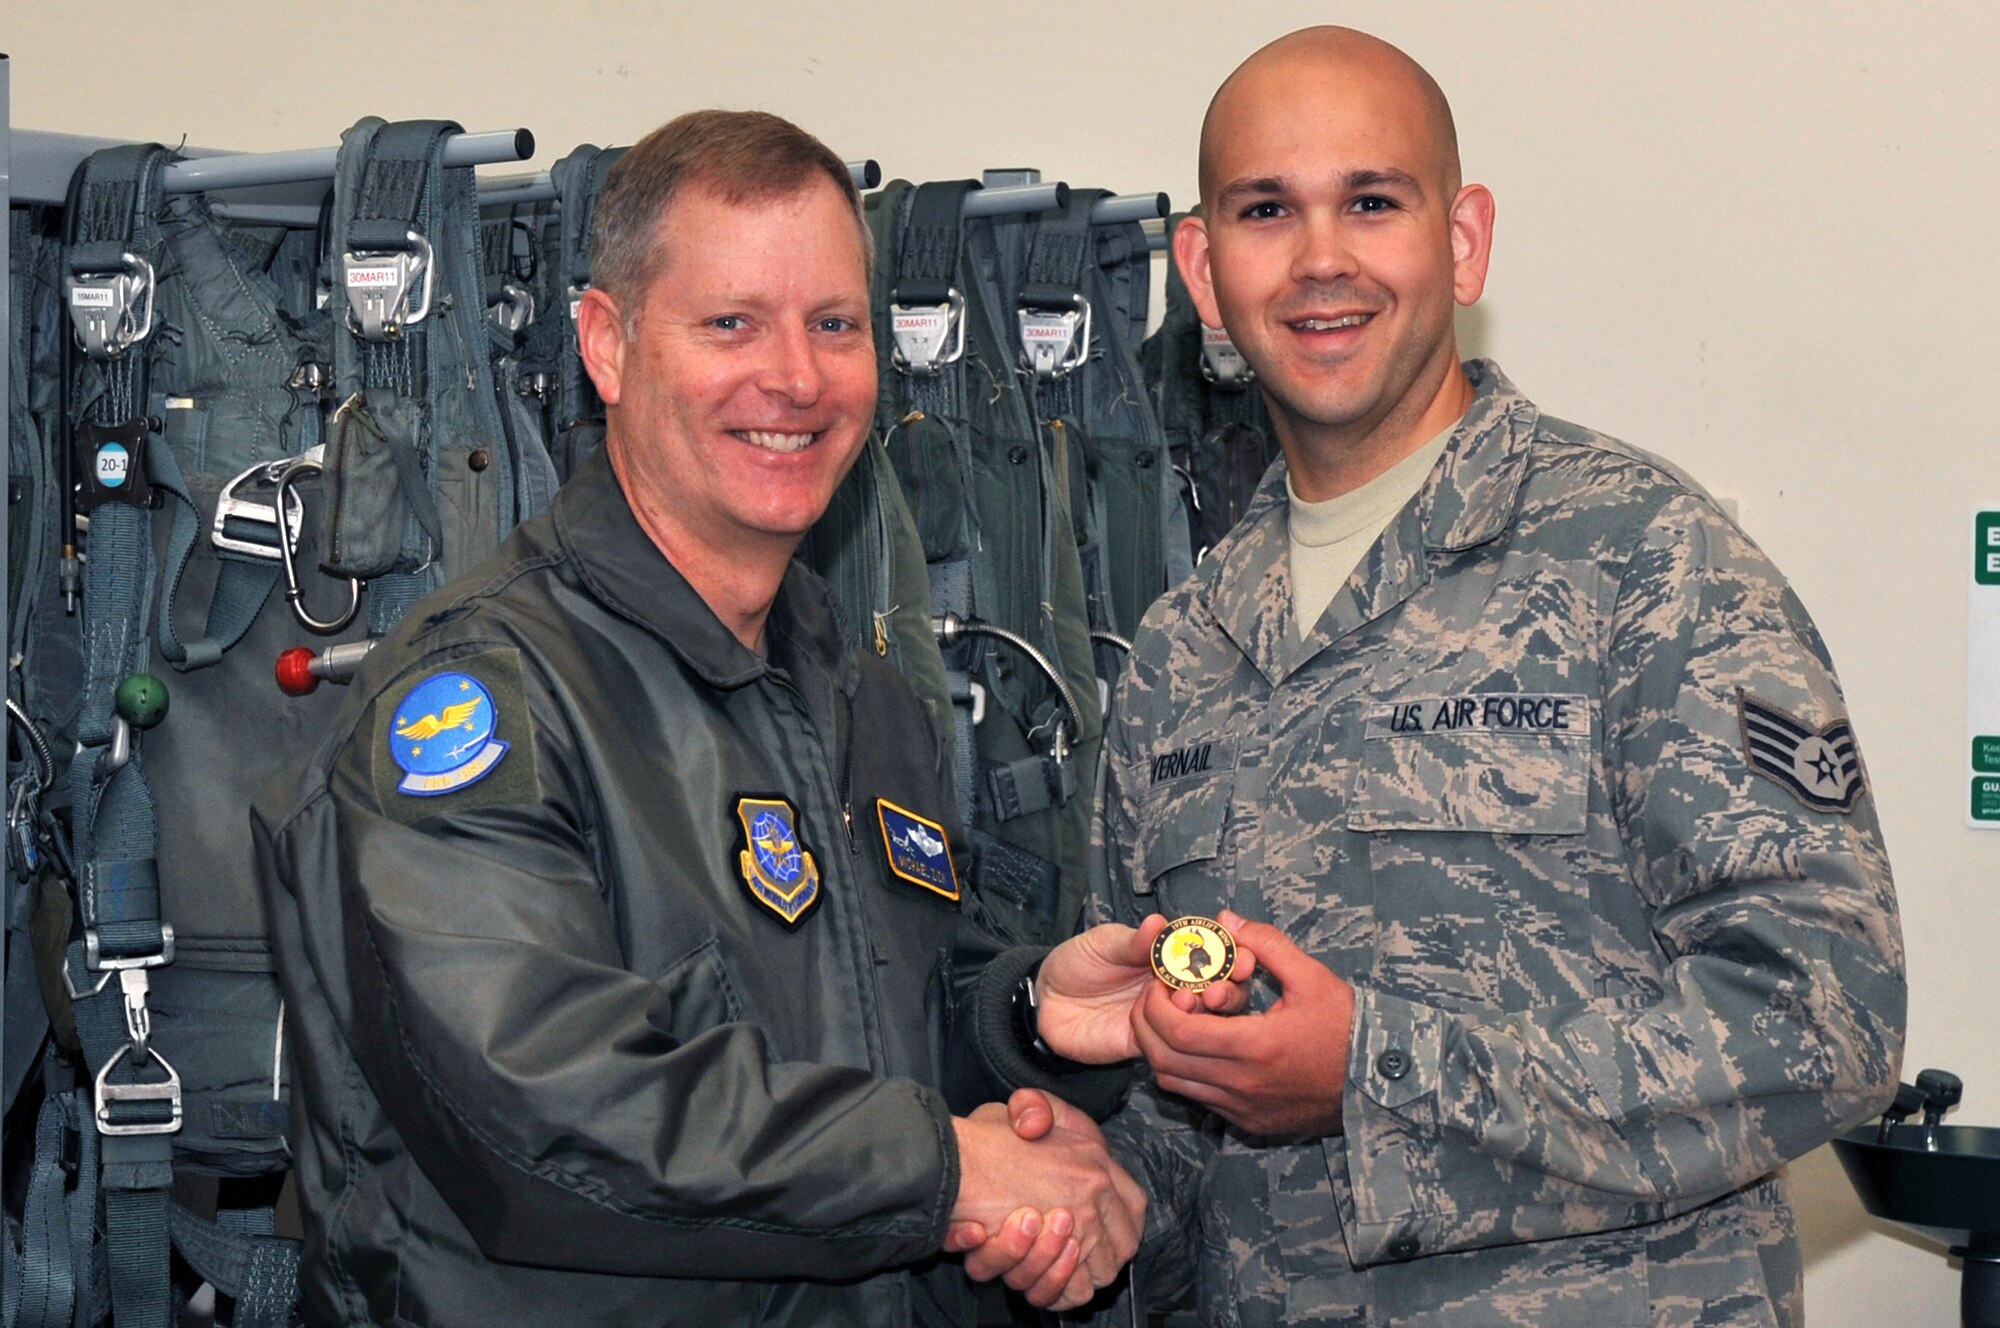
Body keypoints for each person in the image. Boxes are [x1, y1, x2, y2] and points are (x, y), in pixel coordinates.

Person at [977, 25, 1907, 1326]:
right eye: (1265, 210)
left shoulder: (1642, 560)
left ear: (1462, 239)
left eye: (1372, 201)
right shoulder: (1183, 654)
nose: (1320, 259)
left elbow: (1828, 1020)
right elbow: (1193, 1120)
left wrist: (1377, 1075)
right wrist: (1090, 1194)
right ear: (1201, 266)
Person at [250, 109, 1160, 1326]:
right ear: (608, 344)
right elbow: (546, 1113)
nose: (793, 376)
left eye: (832, 323)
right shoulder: (484, 696)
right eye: (730, 322)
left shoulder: (854, 683)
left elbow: (858, 1031)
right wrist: (951, 1175)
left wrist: (1025, 1017)